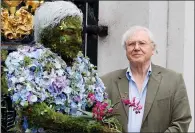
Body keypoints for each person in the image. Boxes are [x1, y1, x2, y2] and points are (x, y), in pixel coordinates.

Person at [101, 26, 192, 132]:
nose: (136, 48)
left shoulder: (174, 80)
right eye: (131, 44)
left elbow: (182, 121)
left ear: (153, 49)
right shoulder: (106, 82)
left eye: (142, 43)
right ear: (126, 50)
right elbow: (98, 122)